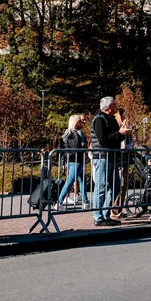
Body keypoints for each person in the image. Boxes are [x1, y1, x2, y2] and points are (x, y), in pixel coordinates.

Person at [91, 97, 130, 226]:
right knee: (101, 187)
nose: (116, 105)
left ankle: (106, 214)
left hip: (112, 157)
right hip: (102, 157)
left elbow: (116, 138)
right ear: (108, 107)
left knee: (116, 187)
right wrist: (120, 133)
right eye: (114, 104)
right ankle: (98, 216)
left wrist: (122, 133)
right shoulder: (99, 120)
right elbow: (103, 140)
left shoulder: (112, 120)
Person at [57, 115, 88, 210]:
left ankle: (85, 202)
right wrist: (84, 147)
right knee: (70, 181)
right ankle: (59, 202)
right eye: (80, 121)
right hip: (76, 160)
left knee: (83, 180)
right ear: (75, 122)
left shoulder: (67, 133)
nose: (82, 123)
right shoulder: (76, 134)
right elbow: (77, 147)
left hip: (72, 160)